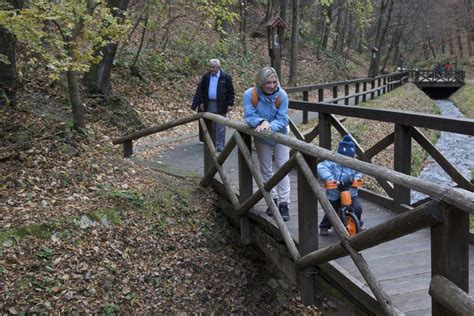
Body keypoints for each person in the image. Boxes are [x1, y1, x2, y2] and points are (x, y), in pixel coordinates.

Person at [243, 66, 290, 221]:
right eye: (268, 83)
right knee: (266, 169)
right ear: (260, 82)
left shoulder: (282, 95)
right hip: (261, 135)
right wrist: (261, 121)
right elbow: (249, 116)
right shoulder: (250, 95)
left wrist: (269, 126)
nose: (271, 86)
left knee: (283, 167)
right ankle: (273, 200)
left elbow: (283, 120)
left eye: (274, 82)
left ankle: (284, 203)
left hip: (280, 134)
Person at [317, 135, 364, 236]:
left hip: (351, 192)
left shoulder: (354, 164)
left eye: (348, 158)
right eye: (343, 158)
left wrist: (356, 179)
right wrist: (331, 179)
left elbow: (359, 171)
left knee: (357, 208)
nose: (346, 160)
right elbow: (321, 167)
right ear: (339, 155)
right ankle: (324, 226)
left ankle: (357, 223)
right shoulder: (332, 162)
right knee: (332, 209)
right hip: (335, 192)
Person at [191, 59, 235, 151]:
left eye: (213, 67)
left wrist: (230, 104)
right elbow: (201, 90)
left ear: (218, 67)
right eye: (210, 67)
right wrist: (201, 102)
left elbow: (231, 91)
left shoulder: (226, 77)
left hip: (221, 103)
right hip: (209, 103)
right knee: (211, 125)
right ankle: (212, 145)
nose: (211, 69)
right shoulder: (206, 76)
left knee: (221, 125)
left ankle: (220, 145)